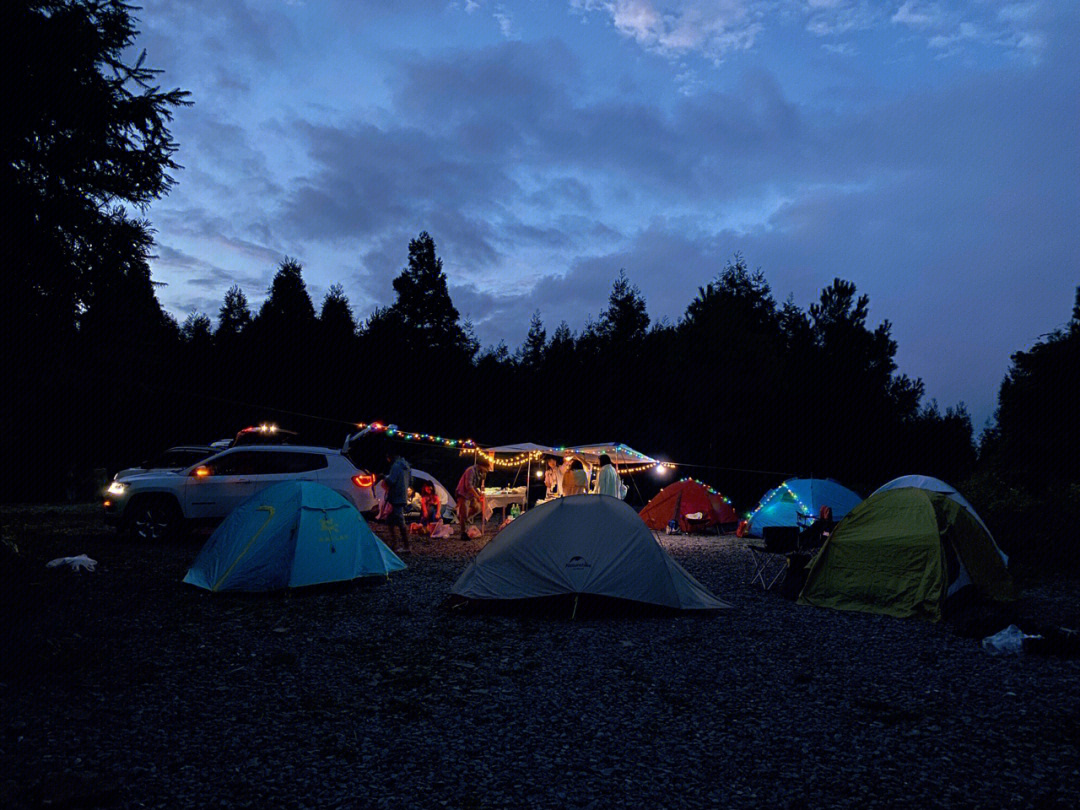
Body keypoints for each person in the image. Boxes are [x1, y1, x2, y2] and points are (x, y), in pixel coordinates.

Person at [455, 456, 492, 541]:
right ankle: (463, 533)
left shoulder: (478, 472)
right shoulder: (470, 470)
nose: (486, 470)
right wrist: (477, 496)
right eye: (486, 468)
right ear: (482, 466)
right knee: (464, 512)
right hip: (463, 493)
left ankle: (463, 520)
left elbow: (474, 486)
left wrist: (479, 494)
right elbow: (469, 486)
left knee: (477, 507)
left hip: (471, 494)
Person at [383, 448, 412, 553]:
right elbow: (411, 481)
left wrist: (384, 477)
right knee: (390, 521)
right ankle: (394, 544)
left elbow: (391, 481)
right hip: (402, 496)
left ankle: (407, 546)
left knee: (400, 522)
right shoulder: (407, 466)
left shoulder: (395, 466)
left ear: (391, 456)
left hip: (395, 496)